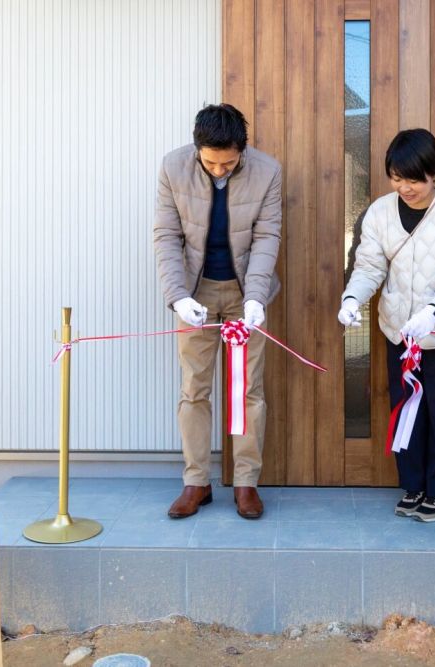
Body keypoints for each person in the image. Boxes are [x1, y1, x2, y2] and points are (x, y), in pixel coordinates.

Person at [338, 128, 435, 522]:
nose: (405, 187)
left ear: (434, 174)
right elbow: (369, 266)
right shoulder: (381, 212)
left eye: (415, 179)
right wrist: (352, 298)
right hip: (399, 334)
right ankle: (414, 486)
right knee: (406, 411)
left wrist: (434, 311)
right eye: (397, 177)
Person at [154, 103, 282, 520]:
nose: (220, 170)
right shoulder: (173, 168)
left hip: (246, 293)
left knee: (248, 390)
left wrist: (256, 298)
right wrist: (178, 297)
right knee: (194, 388)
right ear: (197, 150)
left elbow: (267, 237)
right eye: (211, 163)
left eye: (228, 162)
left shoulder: (267, 172)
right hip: (196, 293)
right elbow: (166, 236)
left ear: (242, 151)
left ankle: (246, 483)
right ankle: (196, 482)